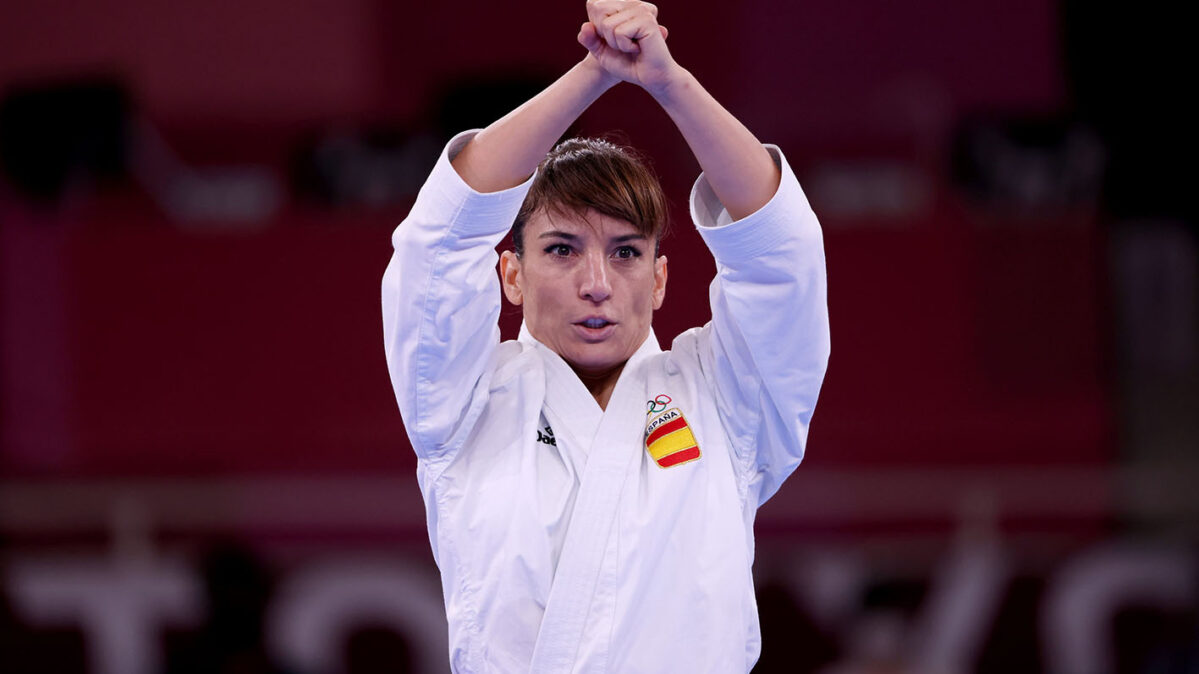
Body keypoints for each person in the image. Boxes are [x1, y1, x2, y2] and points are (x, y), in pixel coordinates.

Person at [381, 1, 830, 671]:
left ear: (657, 278)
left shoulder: (729, 405)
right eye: (561, 250)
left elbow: (781, 256)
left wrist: (667, 80)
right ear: (510, 274)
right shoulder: (461, 404)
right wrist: (594, 72)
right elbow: (438, 242)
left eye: (624, 253)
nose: (596, 282)